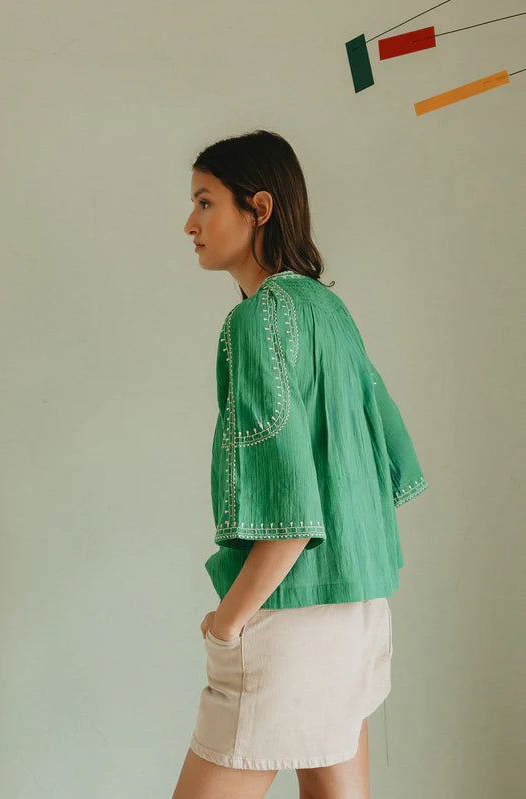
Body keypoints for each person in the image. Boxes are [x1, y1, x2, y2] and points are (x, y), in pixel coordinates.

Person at [173, 130, 428, 799]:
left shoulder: (256, 321)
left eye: (205, 202)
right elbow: (390, 466)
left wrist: (229, 619)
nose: (189, 223)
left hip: (288, 612)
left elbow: (290, 513)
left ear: (257, 207)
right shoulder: (330, 312)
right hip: (358, 609)